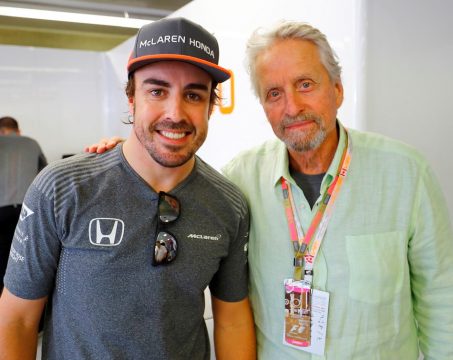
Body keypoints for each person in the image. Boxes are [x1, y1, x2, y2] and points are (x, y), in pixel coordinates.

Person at [83, 20, 453, 359]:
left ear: (337, 90)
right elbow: (176, 182)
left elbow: (442, 300)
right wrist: (128, 162)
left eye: (305, 84)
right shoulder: (239, 181)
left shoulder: (406, 173)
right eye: (274, 93)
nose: (292, 107)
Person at [0, 17, 255, 360]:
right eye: (157, 91)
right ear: (131, 97)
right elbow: (16, 318)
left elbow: (233, 321)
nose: (175, 113)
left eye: (193, 94)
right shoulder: (62, 189)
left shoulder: (228, 205)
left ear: (211, 106)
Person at [0, 116, 47, 292]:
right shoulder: (32, 143)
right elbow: (45, 173)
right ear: (17, 130)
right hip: (27, 209)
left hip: (1, 209)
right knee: (24, 254)